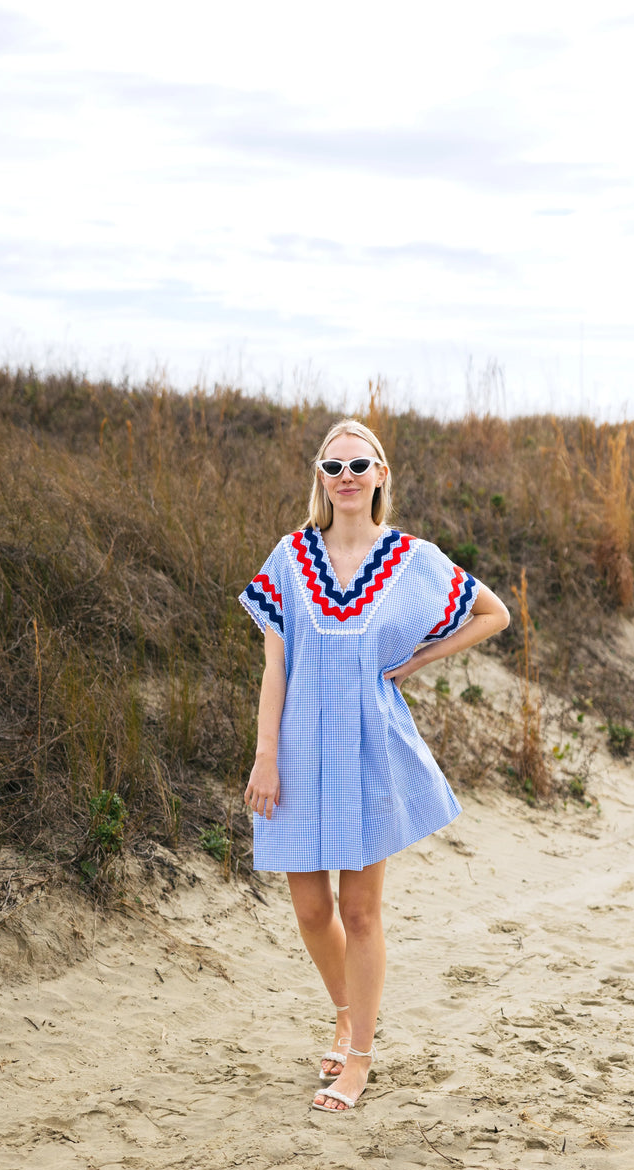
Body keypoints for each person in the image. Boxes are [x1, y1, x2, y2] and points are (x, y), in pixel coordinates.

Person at [239, 419, 510, 1113]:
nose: (347, 477)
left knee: (360, 910)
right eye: (334, 468)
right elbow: (275, 665)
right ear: (320, 479)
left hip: (368, 745)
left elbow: (493, 613)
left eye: (360, 464)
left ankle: (357, 1057)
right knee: (308, 909)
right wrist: (265, 755)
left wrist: (421, 658)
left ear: (382, 474)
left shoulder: (412, 558)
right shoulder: (292, 555)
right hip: (298, 745)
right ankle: (345, 1011)